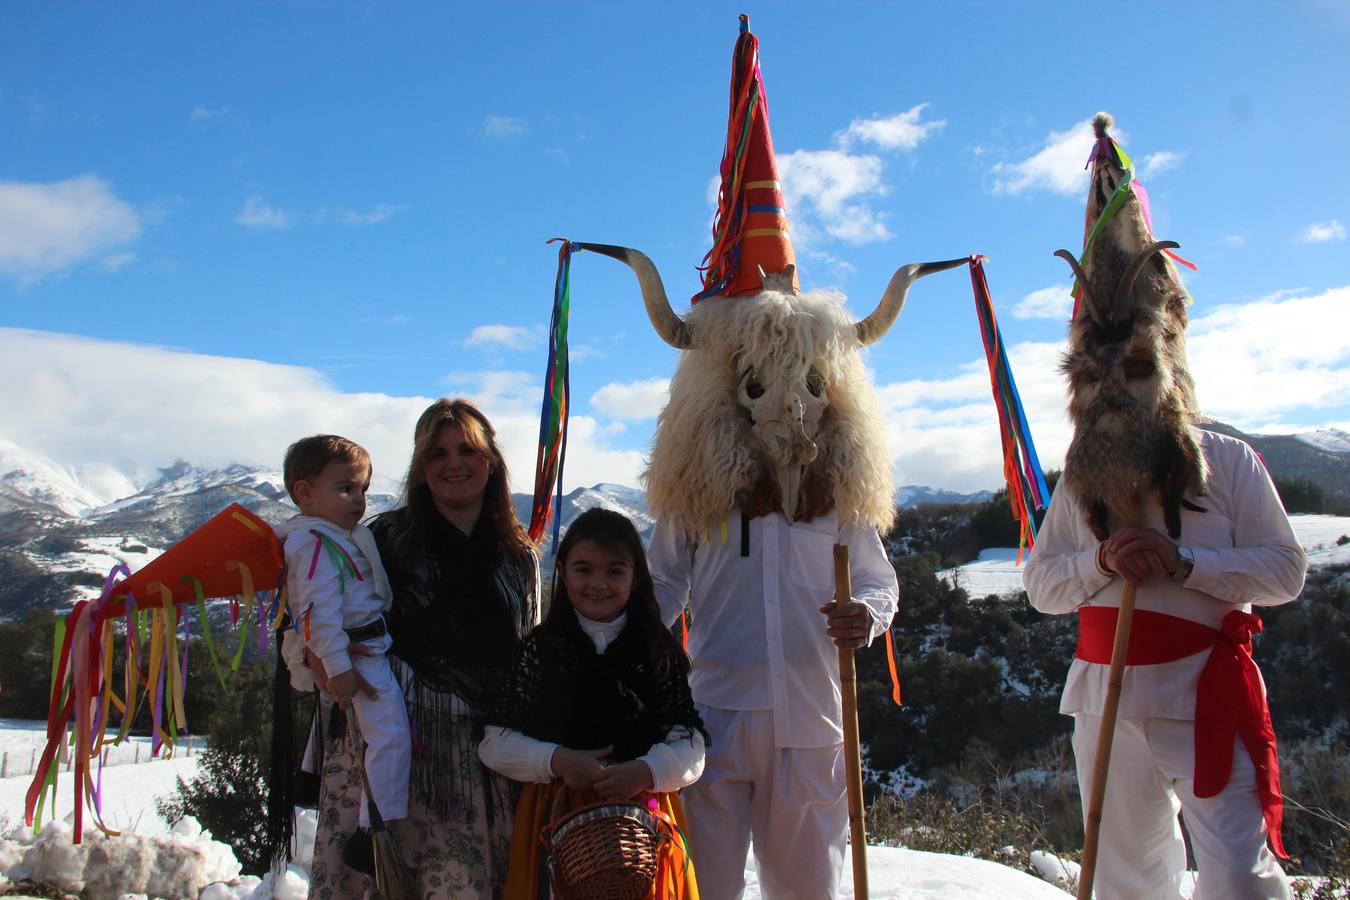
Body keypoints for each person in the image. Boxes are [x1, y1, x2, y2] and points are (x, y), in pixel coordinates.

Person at [1024, 115, 1308, 899]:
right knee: (1124, 876)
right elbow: (1043, 588)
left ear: (1169, 367)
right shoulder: (1081, 480)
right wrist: (1101, 559)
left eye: (1137, 366)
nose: (1116, 385)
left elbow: (1286, 571)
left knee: (1236, 877)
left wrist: (1186, 563)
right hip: (1102, 702)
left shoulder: (1229, 463)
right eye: (1099, 369)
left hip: (1202, 691)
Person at [299, 399, 541, 899]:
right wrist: (319, 661)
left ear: (490, 460)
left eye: (466, 450)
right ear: (421, 468)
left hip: (485, 762)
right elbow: (311, 604)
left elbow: (529, 653)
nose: (454, 463)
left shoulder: (519, 555)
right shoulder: (382, 540)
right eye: (437, 454)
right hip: (394, 754)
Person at [480, 508, 706, 898]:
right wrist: (558, 761)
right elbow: (495, 743)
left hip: (645, 819)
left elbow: (690, 745)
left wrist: (646, 770)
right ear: (563, 572)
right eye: (584, 569)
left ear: (636, 578)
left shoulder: (657, 652)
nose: (598, 584)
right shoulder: (539, 651)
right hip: (555, 816)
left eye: (614, 571)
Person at [276, 435, 410, 842]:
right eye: (346, 488)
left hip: (367, 646)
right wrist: (338, 668)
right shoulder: (314, 545)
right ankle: (377, 828)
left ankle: (311, 776)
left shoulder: (334, 535)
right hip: (357, 654)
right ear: (305, 492)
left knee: (368, 732)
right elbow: (317, 613)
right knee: (390, 736)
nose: (359, 499)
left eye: (363, 489)